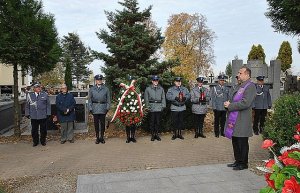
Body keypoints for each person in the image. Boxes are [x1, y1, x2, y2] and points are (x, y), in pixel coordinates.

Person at [224, 66, 256, 170]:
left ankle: (243, 163)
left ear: (247, 75)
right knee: (235, 141)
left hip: (242, 120)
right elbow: (233, 99)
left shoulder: (250, 86)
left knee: (242, 142)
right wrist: (228, 104)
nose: (238, 75)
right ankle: (238, 161)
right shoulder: (239, 86)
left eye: (240, 73)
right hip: (235, 119)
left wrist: (230, 106)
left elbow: (245, 103)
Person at [25, 82, 51, 146]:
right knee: (34, 130)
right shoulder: (30, 95)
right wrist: (27, 113)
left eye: (39, 87)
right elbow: (27, 106)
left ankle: (43, 141)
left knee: (43, 130)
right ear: (34, 89)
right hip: (34, 116)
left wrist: (48, 113)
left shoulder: (45, 94)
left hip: (43, 115)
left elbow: (48, 105)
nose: (39, 88)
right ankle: (35, 141)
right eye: (37, 87)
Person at [88, 75, 111, 144]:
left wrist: (107, 108)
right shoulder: (92, 89)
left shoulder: (106, 89)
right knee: (96, 124)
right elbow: (89, 100)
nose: (99, 81)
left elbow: (108, 100)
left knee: (102, 124)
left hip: (103, 108)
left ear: (102, 80)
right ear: (96, 81)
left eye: (100, 80)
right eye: (98, 80)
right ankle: (97, 137)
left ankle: (102, 137)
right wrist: (90, 108)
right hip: (95, 108)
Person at [144, 75, 166, 141]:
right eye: (154, 81)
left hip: (159, 107)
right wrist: (147, 106)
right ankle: (153, 135)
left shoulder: (161, 89)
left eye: (157, 81)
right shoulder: (148, 89)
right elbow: (146, 99)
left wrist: (163, 106)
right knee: (152, 122)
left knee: (158, 122)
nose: (156, 82)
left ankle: (157, 134)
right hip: (152, 107)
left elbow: (163, 98)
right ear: (152, 81)